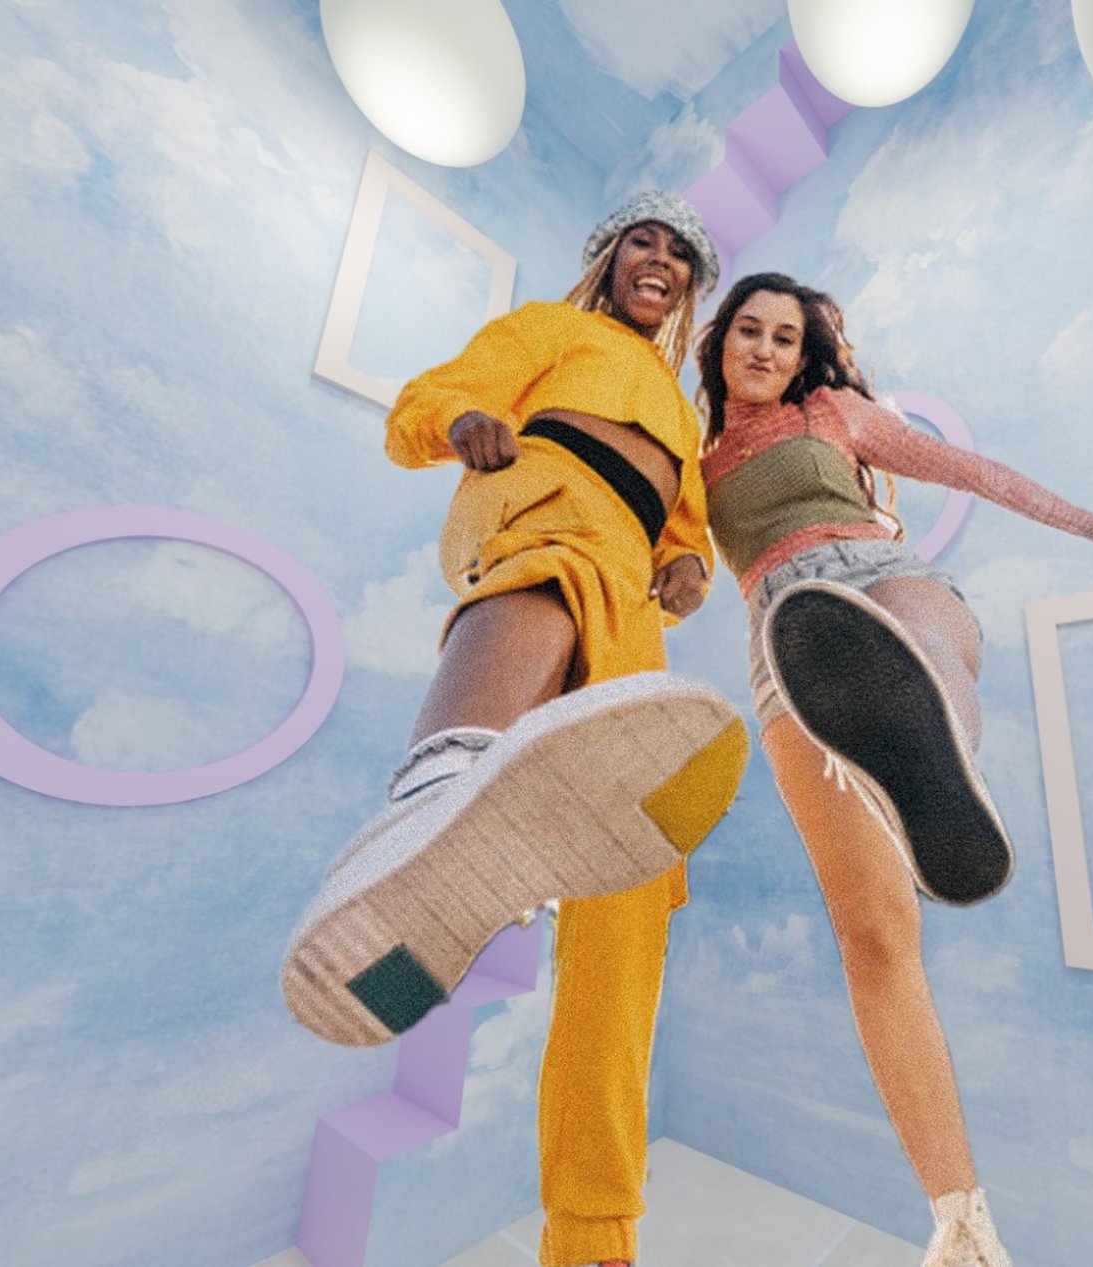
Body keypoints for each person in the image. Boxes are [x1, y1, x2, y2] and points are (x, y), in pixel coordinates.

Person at [283, 192, 749, 1267]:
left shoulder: (683, 411)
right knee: (568, 557)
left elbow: (687, 533)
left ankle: (591, 1235)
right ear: (608, 256)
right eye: (646, 241)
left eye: (681, 256)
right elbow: (432, 398)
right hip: (534, 503)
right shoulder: (553, 327)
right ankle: (437, 796)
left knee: (631, 901)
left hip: (629, 605)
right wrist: (459, 425)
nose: (663, 262)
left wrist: (688, 565)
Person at [694, 273, 1093, 1267]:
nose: (770, 348)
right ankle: (961, 1219)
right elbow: (658, 565)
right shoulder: (693, 466)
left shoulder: (834, 410)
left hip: (882, 577)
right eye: (751, 330)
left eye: (787, 335)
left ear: (804, 354)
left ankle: (930, 755)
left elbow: (975, 472)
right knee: (872, 932)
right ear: (719, 342)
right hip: (788, 644)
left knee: (926, 644)